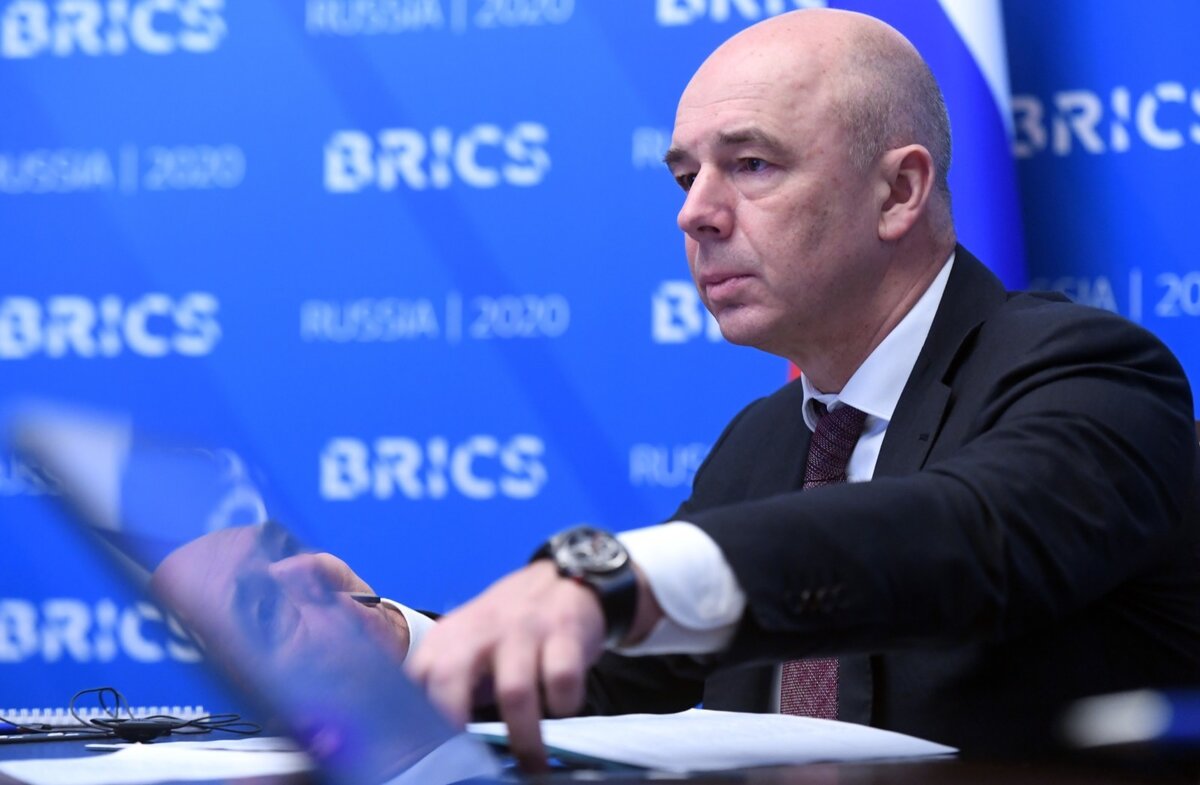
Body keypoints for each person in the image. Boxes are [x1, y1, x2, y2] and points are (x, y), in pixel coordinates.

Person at [156, 6, 1200, 773]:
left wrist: (611, 574)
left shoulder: (1089, 375)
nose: (694, 212)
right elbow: (628, 679)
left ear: (900, 190)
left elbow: (960, 531)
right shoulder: (764, 443)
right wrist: (397, 642)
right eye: (683, 173)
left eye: (750, 165)